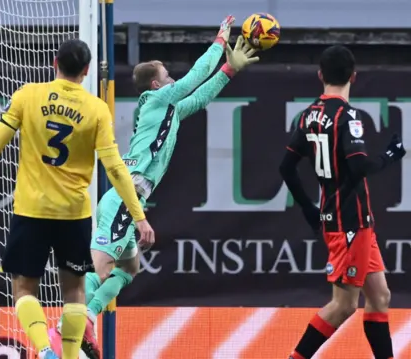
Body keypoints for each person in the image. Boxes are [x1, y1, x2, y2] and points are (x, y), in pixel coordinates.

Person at [51, 17, 261, 359]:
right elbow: (194, 78)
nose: (173, 80)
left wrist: (228, 71)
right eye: (167, 77)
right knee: (100, 266)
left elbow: (200, 96)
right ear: (155, 84)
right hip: (126, 195)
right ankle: (66, 325)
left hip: (127, 195)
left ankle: (87, 314)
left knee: (128, 268)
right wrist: (220, 42)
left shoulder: (169, 111)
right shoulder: (155, 102)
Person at [0, 38, 153, 359]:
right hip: (73, 214)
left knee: (24, 288)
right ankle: (67, 356)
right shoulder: (96, 109)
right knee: (75, 292)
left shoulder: (27, 96)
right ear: (87, 70)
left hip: (31, 210)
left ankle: (43, 350)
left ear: (54, 63)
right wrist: (139, 215)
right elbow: (116, 170)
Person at [280, 45, 404, 359]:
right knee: (344, 304)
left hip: (353, 220)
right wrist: (389, 156)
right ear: (353, 76)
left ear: (321, 75)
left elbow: (286, 166)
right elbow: (361, 166)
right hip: (349, 220)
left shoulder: (309, 115)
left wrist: (309, 209)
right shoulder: (347, 116)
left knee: (380, 296)